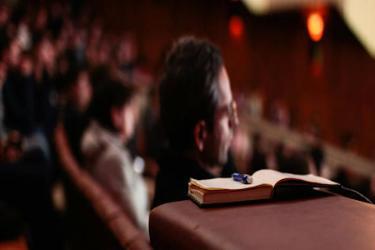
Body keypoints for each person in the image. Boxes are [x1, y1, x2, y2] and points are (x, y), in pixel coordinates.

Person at [152, 37, 238, 207]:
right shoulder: (204, 209)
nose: (235, 122)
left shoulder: (170, 175)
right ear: (200, 134)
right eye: (228, 111)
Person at [81, 80, 149, 233]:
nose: (134, 116)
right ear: (116, 115)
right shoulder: (114, 160)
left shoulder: (95, 138)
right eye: (130, 109)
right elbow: (139, 224)